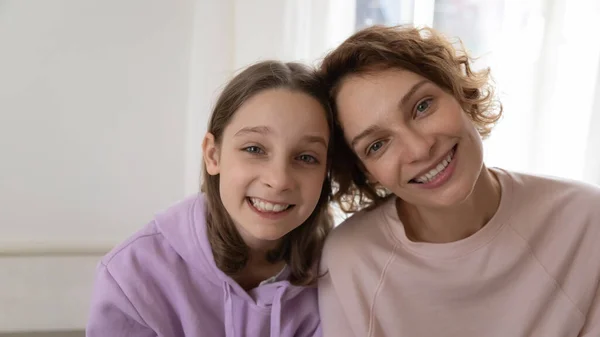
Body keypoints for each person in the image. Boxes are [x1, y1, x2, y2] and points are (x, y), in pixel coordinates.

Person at [317, 25, 600, 337]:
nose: (419, 148)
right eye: (377, 145)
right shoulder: (351, 260)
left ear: (459, 91)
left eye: (422, 107)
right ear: (366, 171)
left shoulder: (585, 220)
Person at [86, 60, 333, 337]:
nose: (278, 180)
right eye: (254, 149)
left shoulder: (340, 273)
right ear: (213, 155)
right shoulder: (131, 276)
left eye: (306, 157)